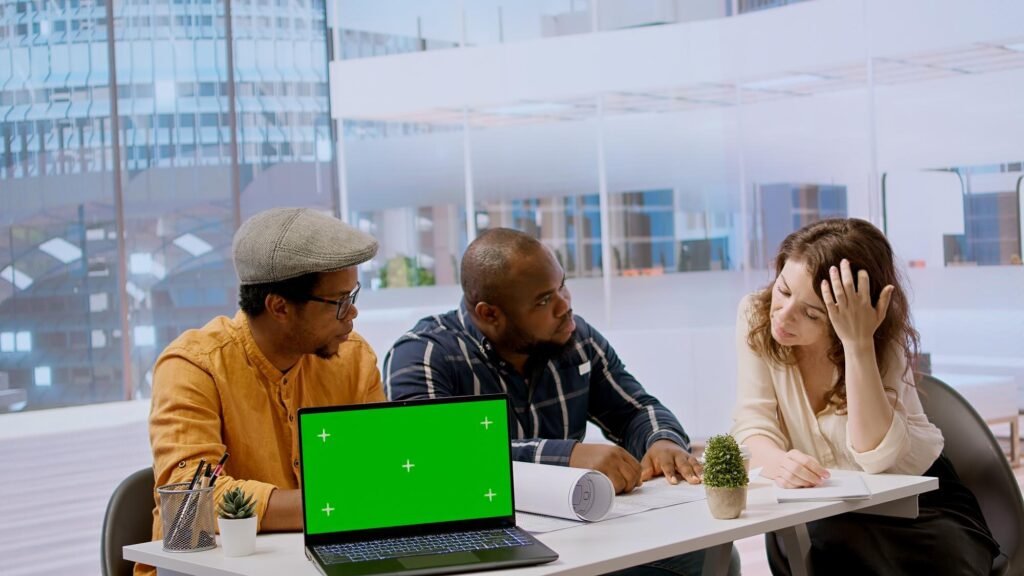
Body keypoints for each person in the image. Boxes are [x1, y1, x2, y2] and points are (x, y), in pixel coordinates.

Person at [385, 227, 740, 576]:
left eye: (562, 286)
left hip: (577, 535)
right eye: (543, 300)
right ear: (489, 313)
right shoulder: (423, 353)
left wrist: (661, 440)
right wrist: (565, 456)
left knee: (709, 555)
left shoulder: (574, 337)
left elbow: (635, 409)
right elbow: (435, 455)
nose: (565, 305)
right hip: (479, 549)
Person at [731, 218, 999, 575]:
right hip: (821, 512)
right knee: (831, 540)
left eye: (812, 313)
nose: (784, 315)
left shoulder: (876, 338)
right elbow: (753, 423)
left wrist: (856, 345)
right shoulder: (756, 316)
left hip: (918, 504)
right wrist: (778, 462)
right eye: (783, 290)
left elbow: (878, 456)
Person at [136, 208, 384, 576]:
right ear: (279, 307)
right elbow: (190, 500)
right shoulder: (194, 365)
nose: (353, 313)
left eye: (353, 295)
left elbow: (377, 475)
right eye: (339, 302)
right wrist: (335, 507)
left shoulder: (353, 358)